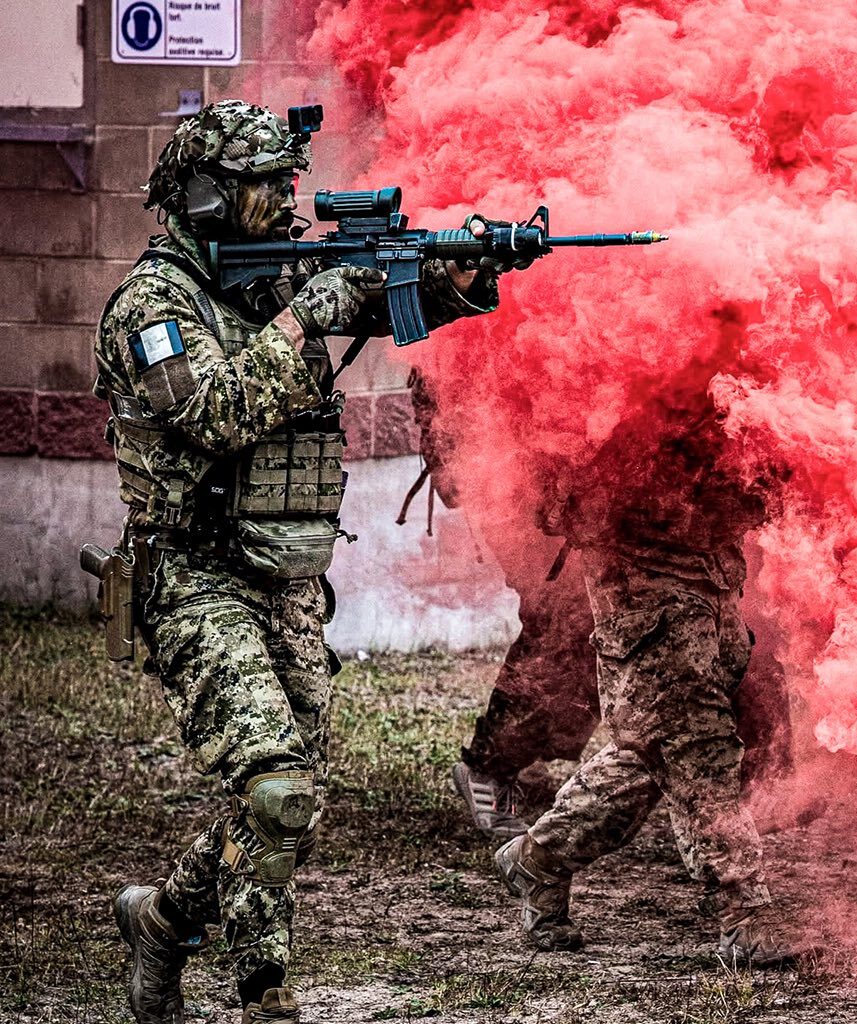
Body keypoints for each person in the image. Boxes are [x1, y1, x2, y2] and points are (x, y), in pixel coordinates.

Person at [95, 100, 517, 1024]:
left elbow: (399, 296)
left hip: (284, 577)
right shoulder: (152, 307)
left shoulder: (271, 279)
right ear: (205, 193)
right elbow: (213, 413)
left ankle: (162, 922)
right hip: (192, 573)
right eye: (260, 184)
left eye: (285, 181)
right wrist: (310, 311)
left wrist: (465, 268)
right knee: (274, 787)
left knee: (283, 803)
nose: (283, 200)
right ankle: (265, 995)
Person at [407, 373, 803, 842]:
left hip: (652, 462)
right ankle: (491, 767)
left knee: (732, 613)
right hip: (538, 468)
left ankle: (767, 776)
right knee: (569, 623)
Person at [491, 400, 811, 967]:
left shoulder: (710, 362)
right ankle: (743, 913)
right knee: (696, 748)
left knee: (648, 755)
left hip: (709, 588)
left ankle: (538, 860)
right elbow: (565, 493)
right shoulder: (611, 370)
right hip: (650, 601)